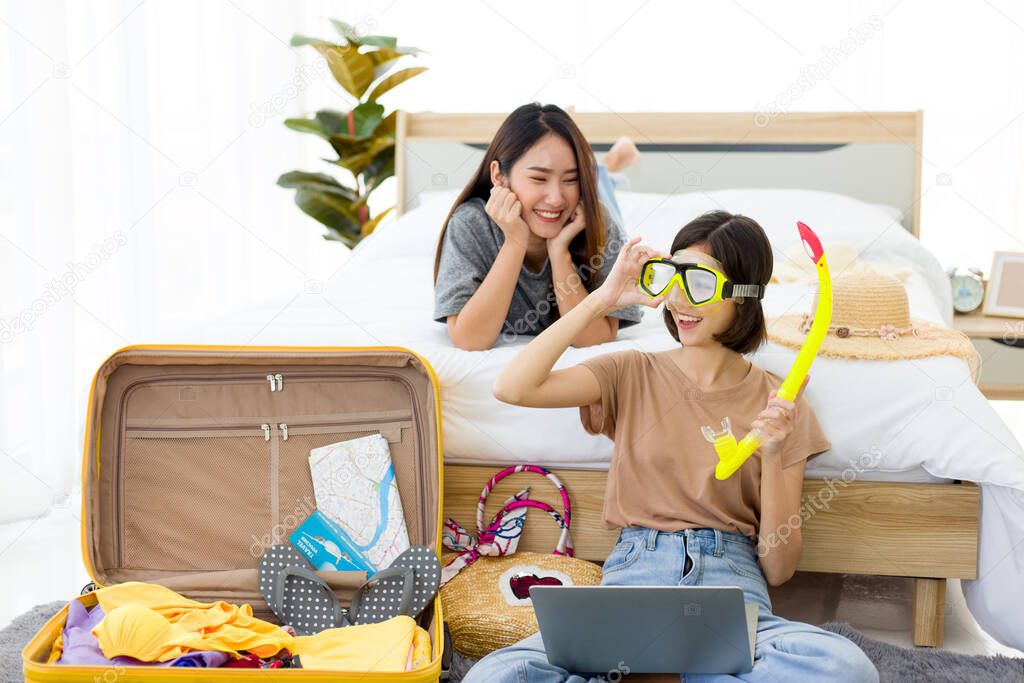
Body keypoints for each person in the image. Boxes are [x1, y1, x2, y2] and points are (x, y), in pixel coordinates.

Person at [464, 211, 878, 682]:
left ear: (744, 297)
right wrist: (602, 298)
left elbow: (780, 569)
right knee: (498, 676)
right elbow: (512, 388)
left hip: (733, 590)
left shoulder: (779, 402)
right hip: (632, 582)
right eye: (673, 278)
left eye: (699, 284)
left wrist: (773, 451)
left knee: (846, 668)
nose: (680, 299)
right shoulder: (630, 372)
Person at [433, 103, 642, 350]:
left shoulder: (597, 221)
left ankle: (607, 168)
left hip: (587, 210)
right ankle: (609, 164)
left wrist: (559, 253)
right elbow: (470, 339)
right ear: (499, 176)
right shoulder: (470, 224)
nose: (555, 197)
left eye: (571, 178)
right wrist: (515, 241)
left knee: (600, 196)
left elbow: (594, 340)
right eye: (539, 178)